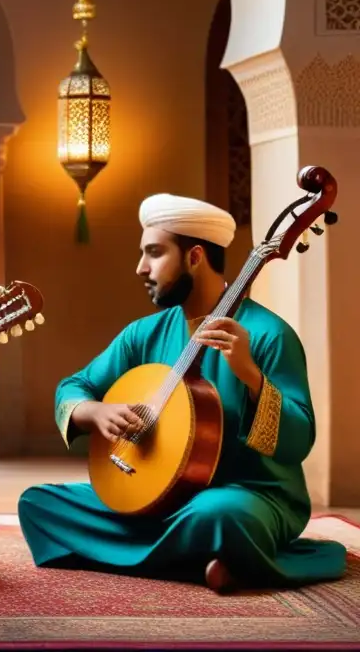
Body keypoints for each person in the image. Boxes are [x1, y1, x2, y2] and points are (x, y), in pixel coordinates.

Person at [18, 193, 347, 593]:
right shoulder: (143, 334)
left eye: (154, 253)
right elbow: (74, 387)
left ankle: (153, 553)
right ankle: (207, 564)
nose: (141, 268)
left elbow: (299, 441)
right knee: (37, 503)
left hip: (246, 497)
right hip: (158, 498)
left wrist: (250, 376)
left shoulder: (269, 335)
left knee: (222, 517)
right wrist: (94, 413)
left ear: (194, 257)